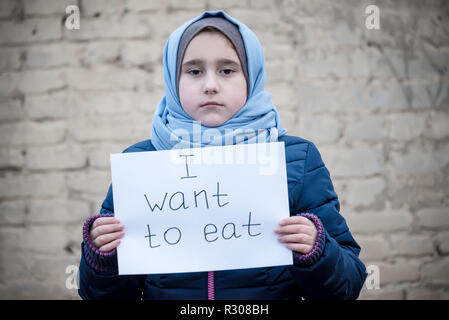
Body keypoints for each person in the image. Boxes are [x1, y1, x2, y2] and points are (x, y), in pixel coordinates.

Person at [78, 10, 367, 300]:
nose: (210, 85)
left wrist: (318, 250)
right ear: (172, 79)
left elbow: (346, 287)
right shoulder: (141, 163)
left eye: (227, 70)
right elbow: (104, 296)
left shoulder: (295, 158)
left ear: (251, 77)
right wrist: (103, 258)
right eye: (194, 71)